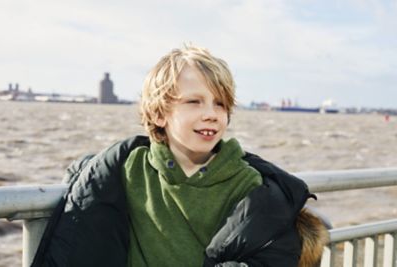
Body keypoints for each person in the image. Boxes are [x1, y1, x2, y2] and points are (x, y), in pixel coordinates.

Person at [31, 45, 328, 267]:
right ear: (159, 114)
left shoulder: (250, 187)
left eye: (220, 104)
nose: (211, 114)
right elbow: (88, 181)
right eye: (194, 102)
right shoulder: (130, 168)